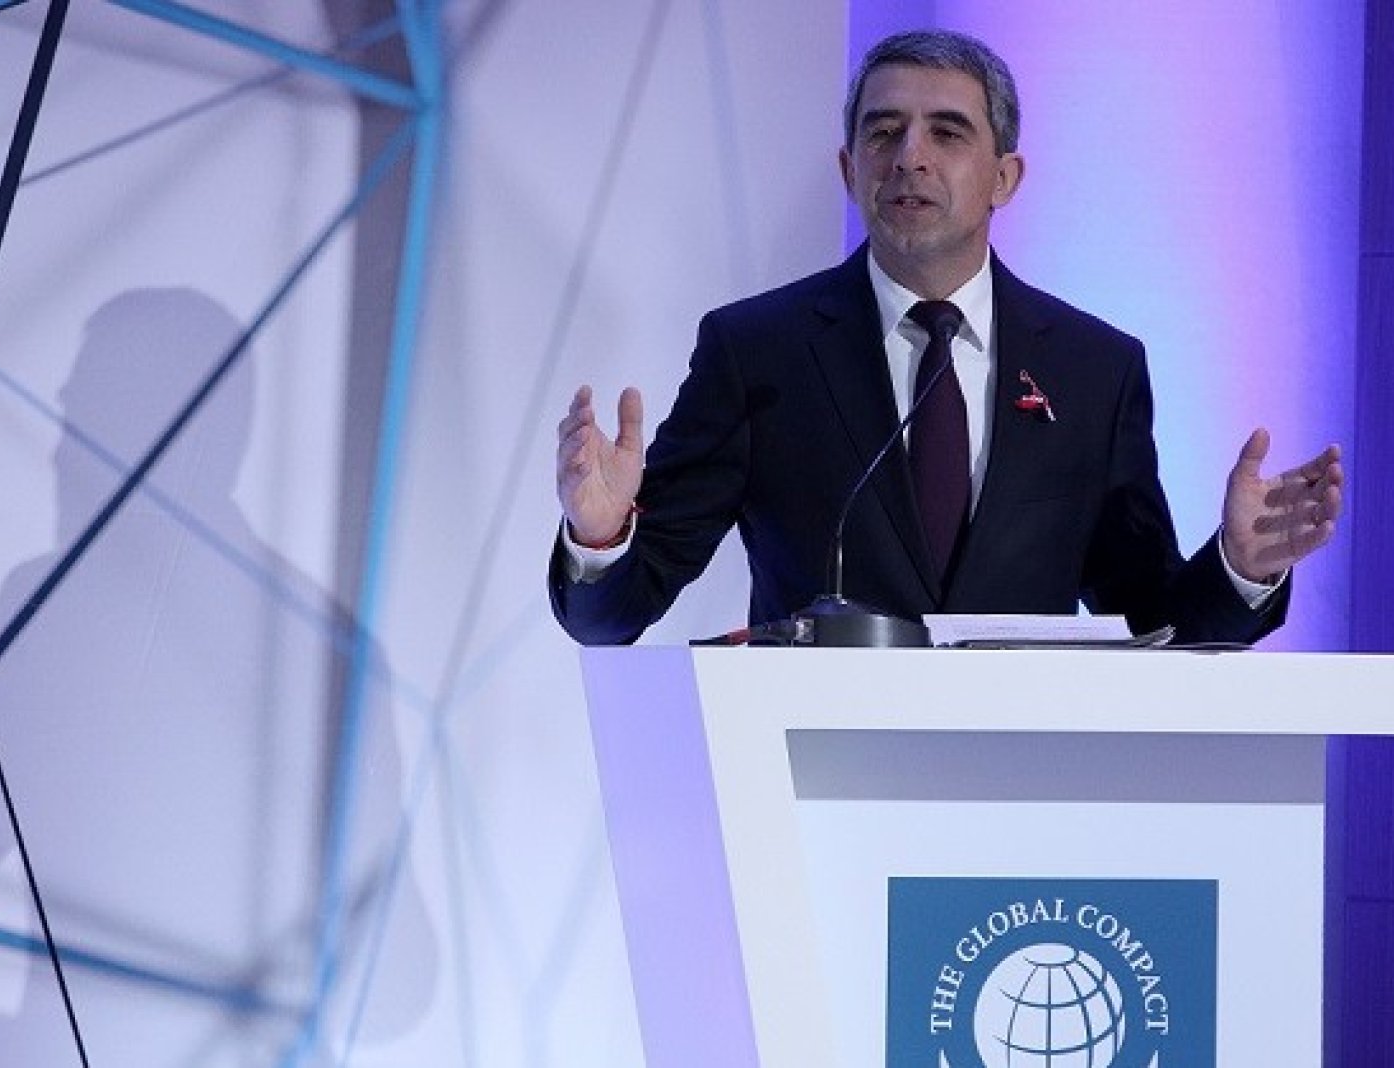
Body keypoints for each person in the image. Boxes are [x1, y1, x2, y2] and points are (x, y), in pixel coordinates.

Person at [549, 29, 1343, 646]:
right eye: (883, 132)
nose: (910, 159)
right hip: (813, 777)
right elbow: (615, 614)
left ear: (1005, 177)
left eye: (948, 132)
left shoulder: (1094, 369)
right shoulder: (758, 352)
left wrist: (1240, 567)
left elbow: (1153, 624)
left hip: (1019, 780)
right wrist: (600, 535)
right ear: (849, 170)